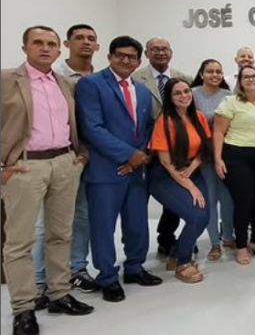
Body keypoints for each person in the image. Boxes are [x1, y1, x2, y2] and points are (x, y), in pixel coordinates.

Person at [2, 26, 94, 335]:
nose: (45, 48)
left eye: (51, 44)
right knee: (20, 242)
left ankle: (59, 293)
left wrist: (80, 157)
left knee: (61, 234)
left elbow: (75, 123)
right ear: (25, 47)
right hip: (24, 167)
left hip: (64, 163)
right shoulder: (6, 80)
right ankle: (23, 308)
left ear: (58, 50)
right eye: (38, 43)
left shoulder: (65, 83)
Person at [76, 36, 161, 303]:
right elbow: (92, 128)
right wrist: (128, 154)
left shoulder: (142, 90)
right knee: (103, 227)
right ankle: (107, 277)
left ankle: (134, 267)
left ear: (139, 61)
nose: (126, 60)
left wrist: (142, 154)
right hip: (105, 170)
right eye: (120, 55)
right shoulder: (91, 84)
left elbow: (148, 127)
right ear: (110, 57)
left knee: (137, 223)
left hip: (136, 170)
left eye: (132, 57)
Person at [32, 24, 101, 298]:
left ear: (97, 46)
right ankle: (39, 281)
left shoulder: (99, 78)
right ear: (67, 44)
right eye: (79, 38)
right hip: (54, 158)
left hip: (86, 157)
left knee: (82, 216)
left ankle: (76, 269)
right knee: (44, 224)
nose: (86, 42)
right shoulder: (54, 76)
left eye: (91, 38)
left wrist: (85, 154)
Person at [132, 37, 194, 257]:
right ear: (146, 53)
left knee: (173, 198)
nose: (160, 53)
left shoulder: (185, 78)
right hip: (145, 150)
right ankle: (136, 252)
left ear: (171, 52)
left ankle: (167, 238)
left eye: (164, 49)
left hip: (177, 151)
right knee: (139, 201)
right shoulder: (135, 78)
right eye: (155, 49)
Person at [148, 79, 210, 283]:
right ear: (170, 98)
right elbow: (166, 162)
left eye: (186, 91)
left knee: (204, 216)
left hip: (191, 170)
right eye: (177, 93)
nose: (184, 96)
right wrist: (190, 186)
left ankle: (175, 255)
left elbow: (204, 148)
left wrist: (193, 167)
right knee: (196, 216)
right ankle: (183, 262)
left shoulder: (198, 117)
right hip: (165, 175)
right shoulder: (164, 121)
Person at [213, 65, 255, 265]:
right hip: (235, 156)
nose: (250, 79)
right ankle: (241, 245)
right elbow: (218, 132)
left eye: (254, 76)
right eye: (245, 77)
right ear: (240, 82)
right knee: (244, 200)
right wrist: (218, 158)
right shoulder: (230, 102)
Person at [190, 59, 235, 262]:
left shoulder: (228, 95)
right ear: (202, 74)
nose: (215, 75)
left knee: (228, 199)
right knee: (210, 198)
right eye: (210, 71)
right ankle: (214, 242)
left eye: (218, 71)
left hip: (226, 153)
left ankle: (228, 237)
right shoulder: (193, 94)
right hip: (203, 155)